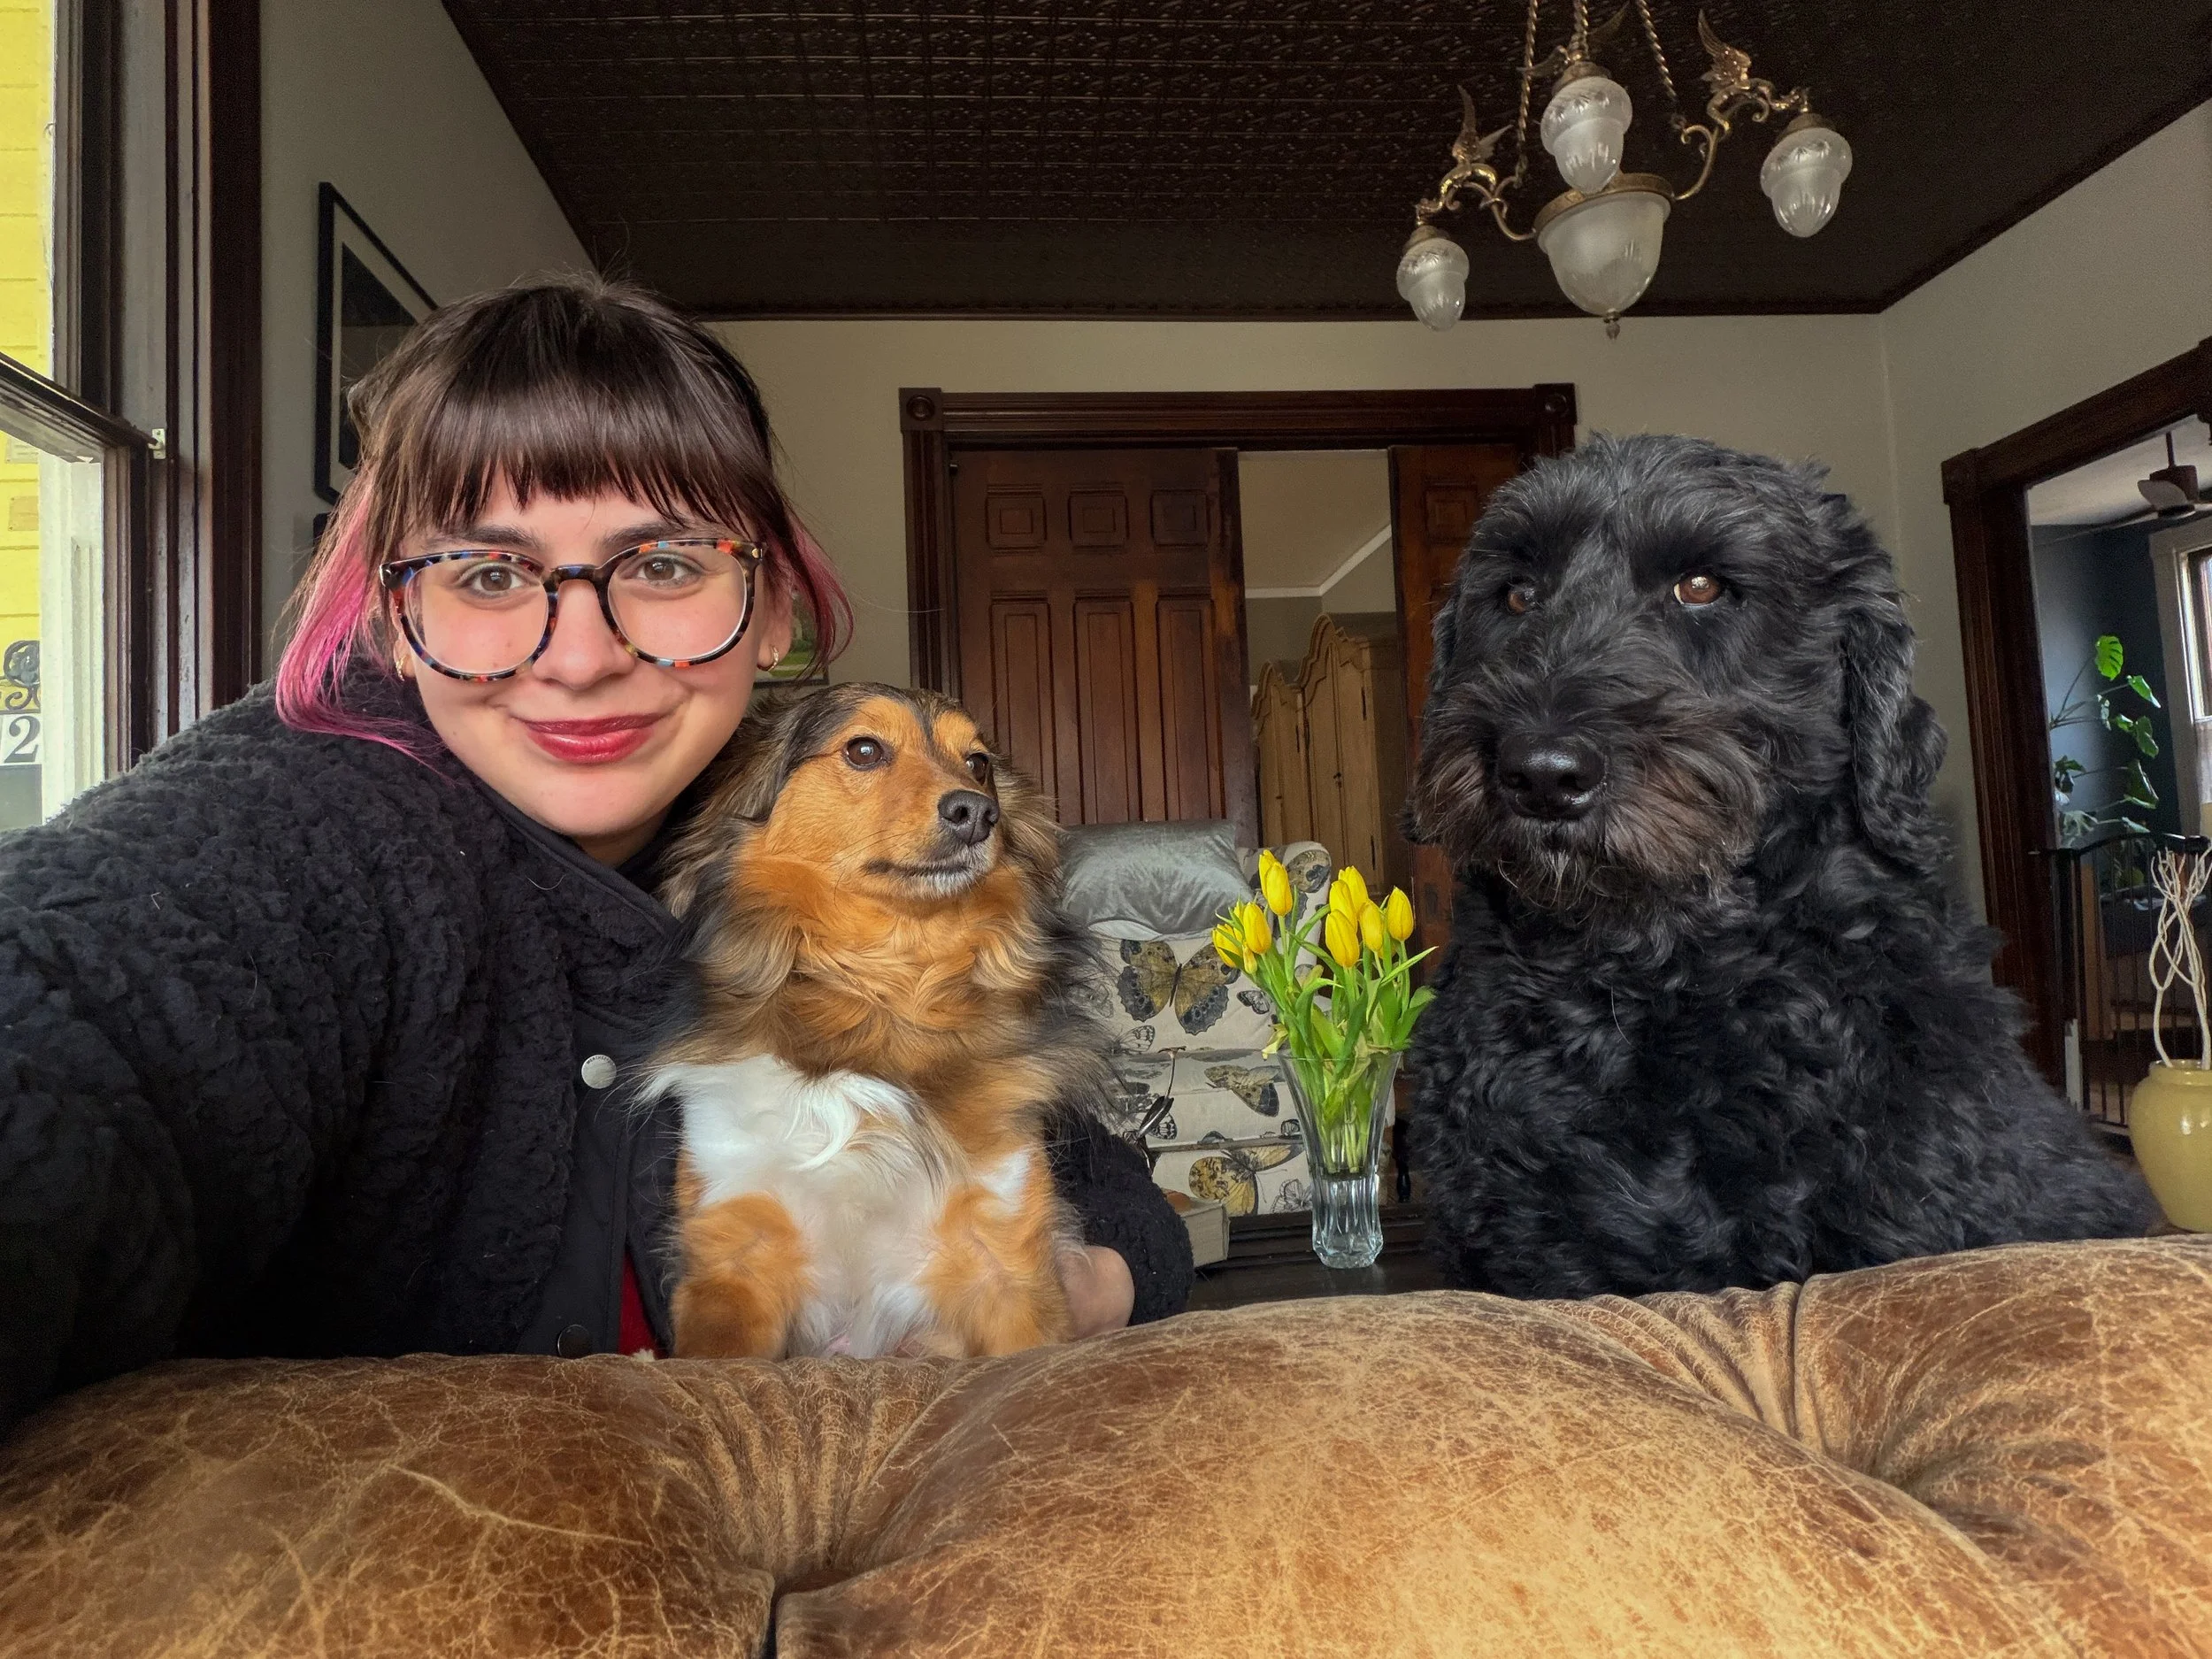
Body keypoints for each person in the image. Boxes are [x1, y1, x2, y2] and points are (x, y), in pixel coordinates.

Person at [0, 276, 1192, 1435]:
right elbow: (79, 1006)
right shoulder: (303, 813)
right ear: (391, 619)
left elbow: (1099, 1181)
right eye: (486, 571)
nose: (576, 657)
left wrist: (1080, 1286)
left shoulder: (803, 842)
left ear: (769, 606)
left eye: (664, 564)